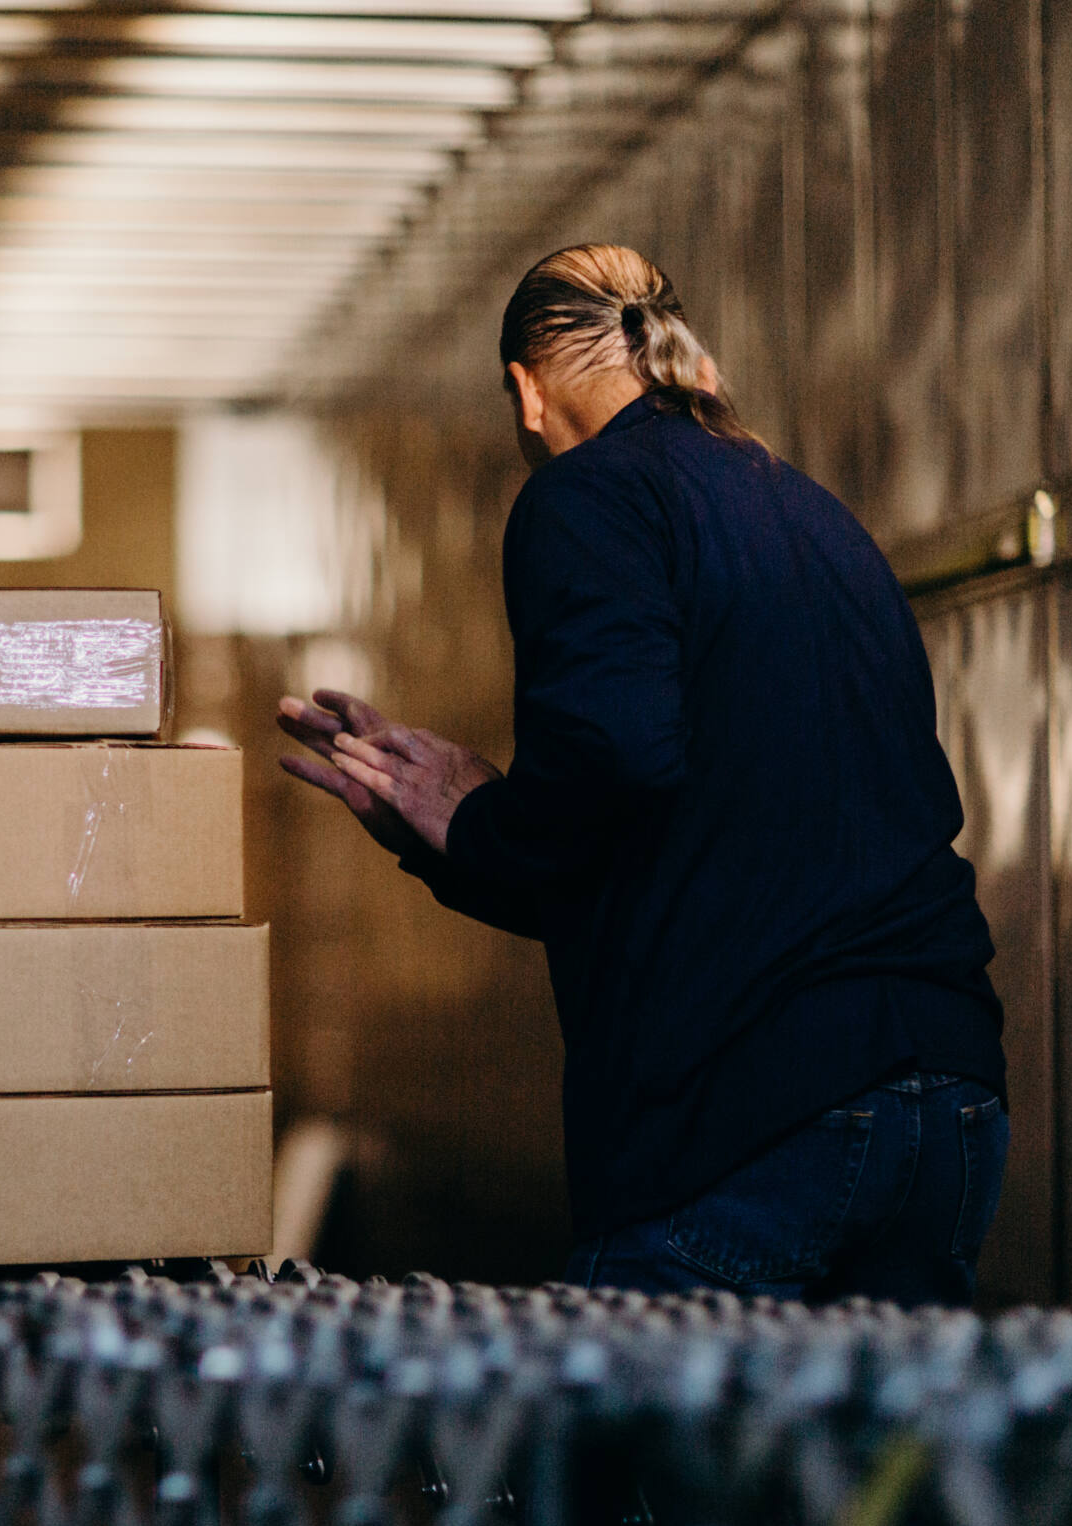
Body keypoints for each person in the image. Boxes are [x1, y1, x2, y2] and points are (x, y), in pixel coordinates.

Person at [277, 243, 1008, 1307]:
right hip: (944, 1107)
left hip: (750, 1120)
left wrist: (475, 824)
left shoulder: (586, 498)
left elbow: (615, 763)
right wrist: (468, 832)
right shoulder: (817, 516)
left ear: (525, 395)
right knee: (867, 1474)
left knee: (636, 1473)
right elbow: (683, 849)